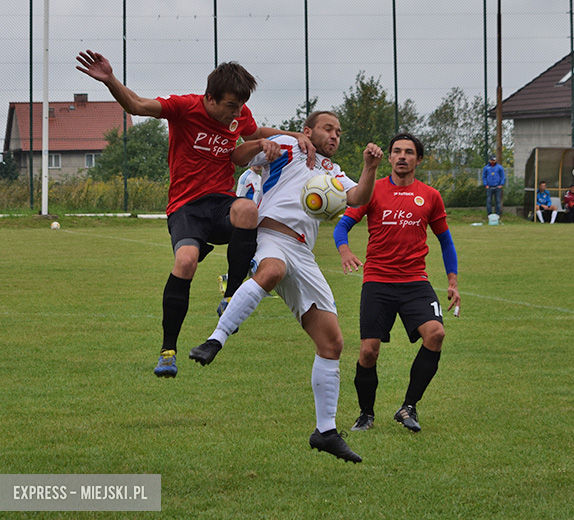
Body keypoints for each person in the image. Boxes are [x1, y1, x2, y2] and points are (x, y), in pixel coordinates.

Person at [76, 49, 314, 379]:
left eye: (240, 106)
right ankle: (167, 352)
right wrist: (110, 80)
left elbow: (256, 132)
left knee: (246, 208)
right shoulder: (184, 107)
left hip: (220, 205)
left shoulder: (237, 114)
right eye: (231, 105)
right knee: (185, 261)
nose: (237, 112)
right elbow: (137, 105)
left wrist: (295, 136)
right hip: (186, 207)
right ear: (210, 98)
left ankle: (231, 295)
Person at [189, 111, 383, 463]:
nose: (335, 135)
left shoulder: (333, 173)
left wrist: (369, 167)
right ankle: (215, 339)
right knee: (272, 271)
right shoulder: (290, 145)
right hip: (269, 235)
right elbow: (237, 157)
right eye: (328, 128)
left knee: (332, 342)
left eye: (339, 131)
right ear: (308, 130)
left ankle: (324, 431)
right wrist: (261, 144)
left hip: (303, 254)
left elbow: (356, 197)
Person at [333, 133, 461, 434]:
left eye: (409, 152)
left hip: (416, 282)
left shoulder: (430, 195)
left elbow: (445, 240)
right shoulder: (372, 191)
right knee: (368, 351)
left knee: (436, 333)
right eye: (396, 152)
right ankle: (366, 414)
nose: (402, 156)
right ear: (389, 158)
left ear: (418, 159)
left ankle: (409, 406)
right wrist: (345, 250)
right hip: (378, 281)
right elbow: (343, 225)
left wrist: (453, 280)